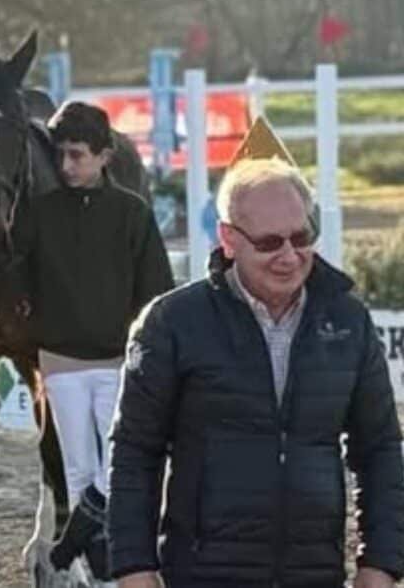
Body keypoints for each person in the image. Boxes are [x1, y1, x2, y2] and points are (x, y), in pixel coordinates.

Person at [108, 156, 404, 587]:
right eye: (269, 243)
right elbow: (134, 451)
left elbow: (380, 448)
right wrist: (133, 569)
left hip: (313, 575)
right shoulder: (171, 323)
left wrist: (380, 564)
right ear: (228, 239)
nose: (289, 256)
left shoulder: (348, 321)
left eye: (302, 237)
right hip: (204, 574)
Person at [19, 101, 174, 582]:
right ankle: (96, 573)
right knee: (78, 473)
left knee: (115, 473)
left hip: (116, 363)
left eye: (77, 156)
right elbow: (18, 276)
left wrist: (145, 358)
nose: (66, 167)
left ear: (105, 155)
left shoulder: (133, 214)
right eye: (61, 155)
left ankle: (68, 555)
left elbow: (157, 292)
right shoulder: (39, 214)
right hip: (59, 360)